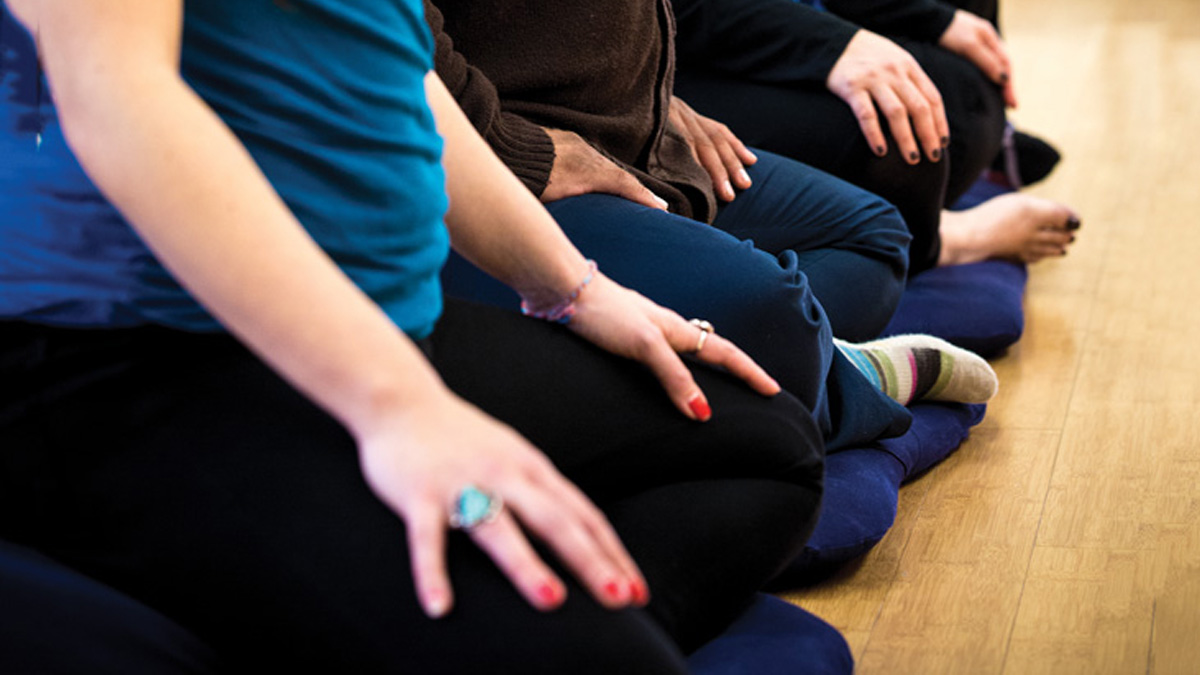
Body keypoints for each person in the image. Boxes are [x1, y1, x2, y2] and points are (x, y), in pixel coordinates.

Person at [0, 1, 829, 671]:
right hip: (142, 355)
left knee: (765, 445)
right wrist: (396, 407)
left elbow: (395, 63)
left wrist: (574, 288)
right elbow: (116, 93)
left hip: (373, 325)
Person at [427, 0, 996, 454]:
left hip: (633, 140)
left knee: (872, 235)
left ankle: (798, 359)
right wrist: (511, 145)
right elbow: (396, 41)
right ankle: (844, 377)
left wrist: (656, 93)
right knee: (769, 314)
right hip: (496, 165)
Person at [671, 0, 1080, 271]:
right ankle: (948, 241)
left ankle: (982, 150)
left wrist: (931, 19)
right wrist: (833, 45)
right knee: (898, 132)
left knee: (950, 102)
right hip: (680, 58)